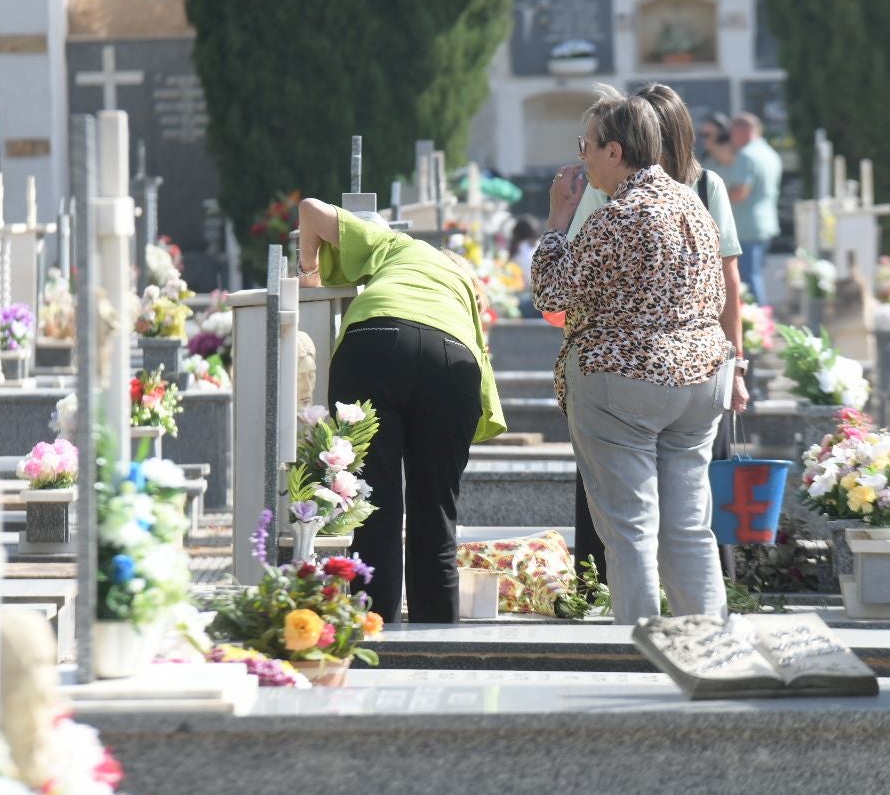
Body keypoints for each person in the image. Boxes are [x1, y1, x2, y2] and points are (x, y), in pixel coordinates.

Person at [532, 90, 731, 624]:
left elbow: (553, 295)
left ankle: (637, 657)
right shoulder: (691, 201)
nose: (583, 157)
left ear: (615, 152)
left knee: (630, 527)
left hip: (626, 379)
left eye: (588, 146)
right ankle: (709, 643)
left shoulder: (620, 216)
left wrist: (557, 219)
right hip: (702, 377)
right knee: (689, 527)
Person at [295, 200, 507, 622]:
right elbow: (479, 375)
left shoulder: (401, 246)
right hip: (451, 357)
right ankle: (436, 641)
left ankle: (372, 632)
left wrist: (310, 273)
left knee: (373, 504)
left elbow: (310, 210)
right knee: (436, 509)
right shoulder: (466, 299)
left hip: (374, 342)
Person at [723, 112, 784, 306]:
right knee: (755, 274)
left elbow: (740, 193)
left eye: (733, 132)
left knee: (749, 278)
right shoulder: (770, 153)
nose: (731, 138)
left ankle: (760, 325)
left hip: (747, 226)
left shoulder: (746, 155)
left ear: (744, 131)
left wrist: (718, 196)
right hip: (766, 223)